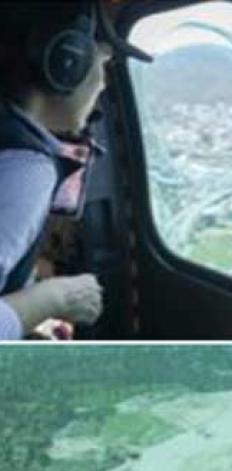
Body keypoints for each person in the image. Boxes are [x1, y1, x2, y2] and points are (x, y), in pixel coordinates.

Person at [0, 1, 152, 340]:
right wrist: (54, 298)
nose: (103, 84)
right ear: (67, 60)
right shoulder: (25, 168)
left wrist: (22, 317)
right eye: (104, 63)